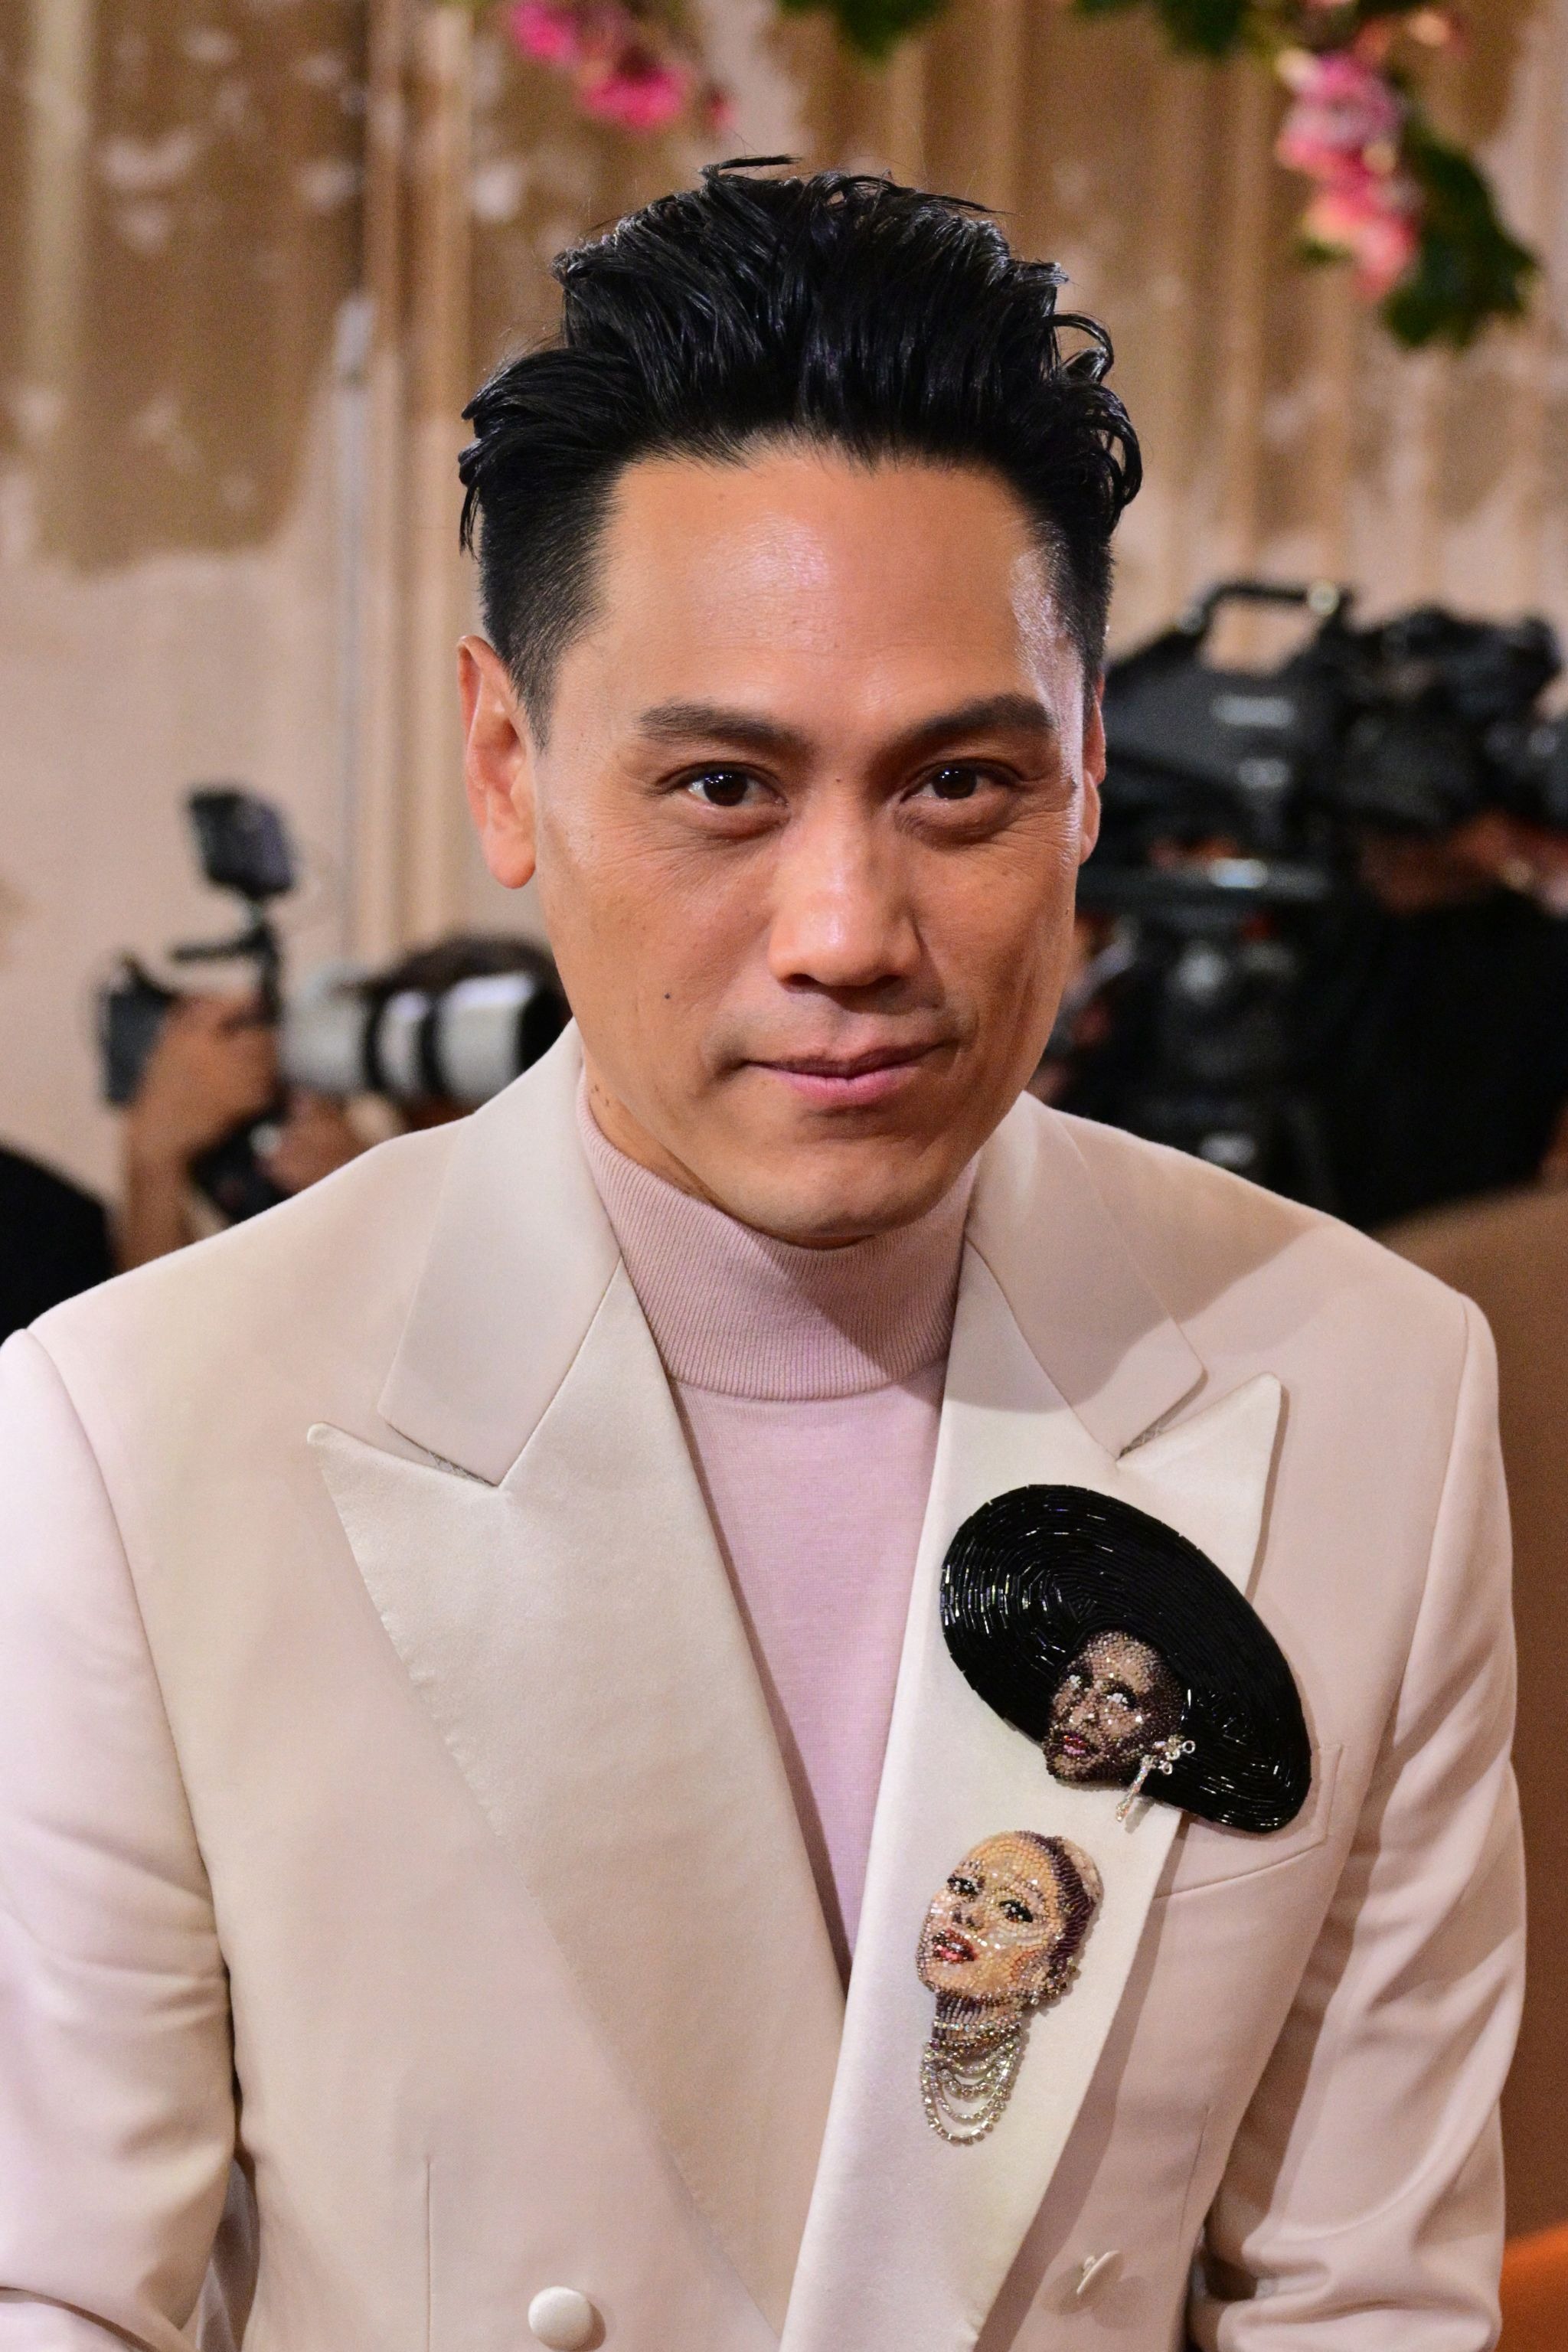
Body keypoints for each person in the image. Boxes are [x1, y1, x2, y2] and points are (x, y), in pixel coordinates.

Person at [0, 164, 1521, 2352]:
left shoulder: (1372, 1381)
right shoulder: (145, 1424)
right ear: (508, 765)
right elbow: (59, 2290)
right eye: (723, 788)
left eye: (958, 785)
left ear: (1091, 771)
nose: (847, 934)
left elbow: (1362, 2293)